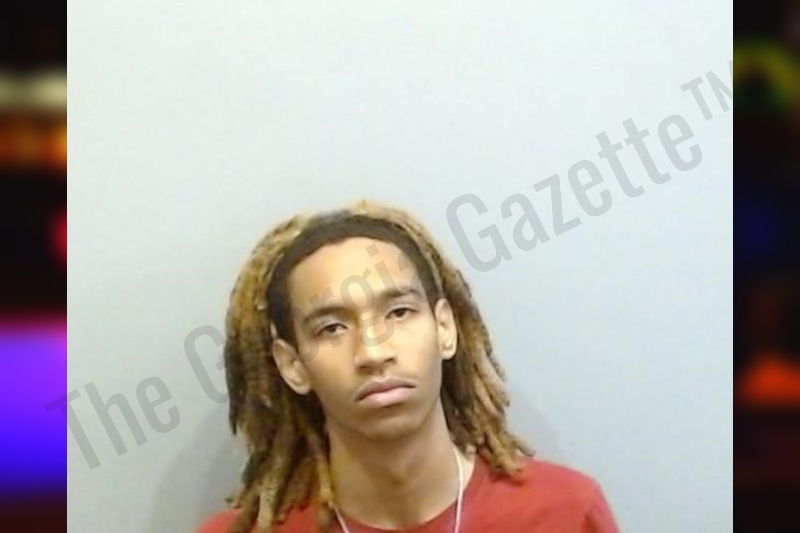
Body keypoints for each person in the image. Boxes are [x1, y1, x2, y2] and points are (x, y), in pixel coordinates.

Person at [195, 200, 620, 533]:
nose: (373, 351)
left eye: (398, 312)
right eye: (332, 328)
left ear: (445, 328)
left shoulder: (565, 513)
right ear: (293, 365)